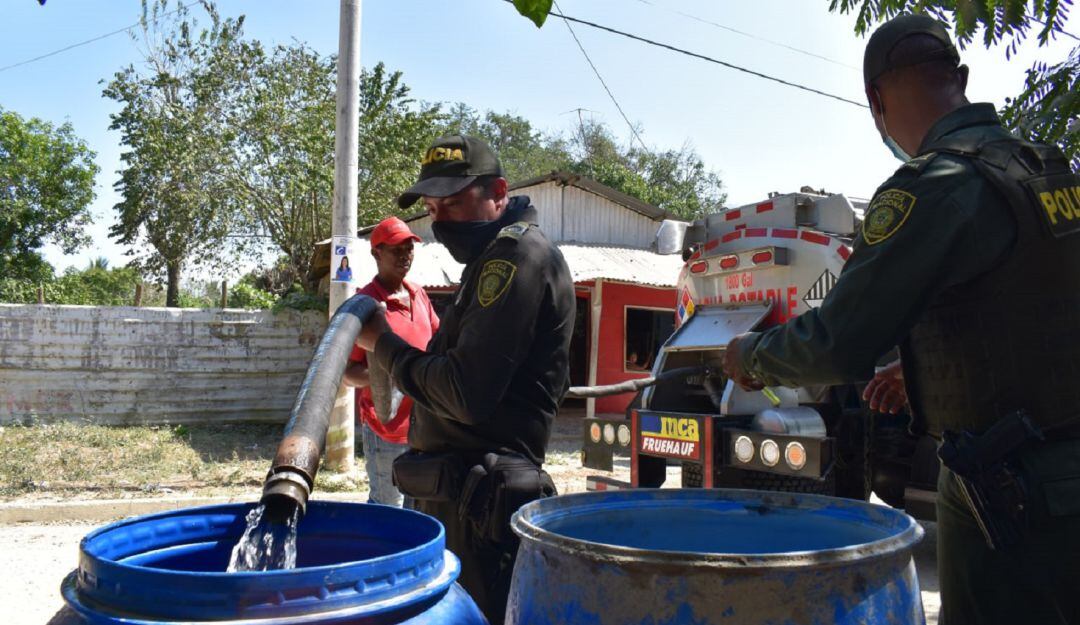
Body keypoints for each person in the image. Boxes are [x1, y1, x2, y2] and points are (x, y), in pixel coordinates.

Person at [720, 14, 1080, 625]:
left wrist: (751, 357)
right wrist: (925, 374)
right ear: (960, 77)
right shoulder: (1044, 169)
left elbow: (836, 345)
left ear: (876, 102)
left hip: (1010, 491)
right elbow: (1033, 311)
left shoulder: (935, 185)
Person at [356, 135, 575, 624]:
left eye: (452, 203)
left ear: (498, 193)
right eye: (432, 209)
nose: (440, 221)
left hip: (482, 506)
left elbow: (464, 393)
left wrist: (383, 344)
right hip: (458, 496)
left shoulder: (514, 257)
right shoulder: (488, 260)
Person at [342, 217, 438, 507]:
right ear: (376, 253)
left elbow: (437, 343)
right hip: (387, 431)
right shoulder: (365, 304)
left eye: (409, 248)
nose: (405, 255)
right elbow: (348, 372)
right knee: (388, 507)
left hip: (424, 428)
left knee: (418, 507)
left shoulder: (419, 294)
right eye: (396, 249)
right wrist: (390, 374)